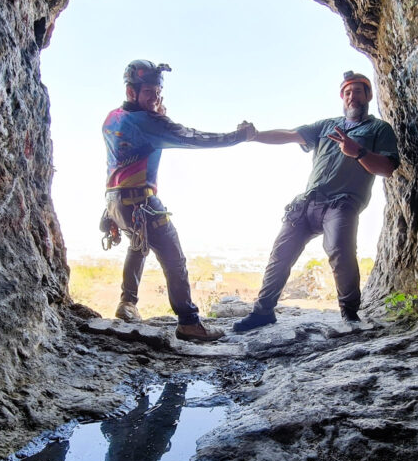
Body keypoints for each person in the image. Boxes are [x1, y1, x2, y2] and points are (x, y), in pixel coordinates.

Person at [103, 60, 255, 342]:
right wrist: (238, 136)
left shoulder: (112, 118)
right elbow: (194, 138)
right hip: (141, 201)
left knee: (139, 246)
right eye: (150, 92)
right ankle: (189, 322)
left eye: (159, 93)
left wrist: (156, 115)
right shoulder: (149, 121)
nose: (156, 98)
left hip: (116, 200)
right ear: (131, 90)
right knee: (173, 257)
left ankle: (127, 304)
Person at [234, 71, 399, 331]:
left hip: (342, 204)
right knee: (281, 254)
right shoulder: (327, 126)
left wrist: (358, 152)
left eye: (357, 91)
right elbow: (290, 135)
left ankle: (350, 314)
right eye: (347, 92)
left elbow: (388, 167)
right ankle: (263, 311)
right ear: (342, 98)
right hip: (308, 203)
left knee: (340, 252)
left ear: (368, 95)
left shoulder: (379, 129)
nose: (351, 96)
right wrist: (254, 135)